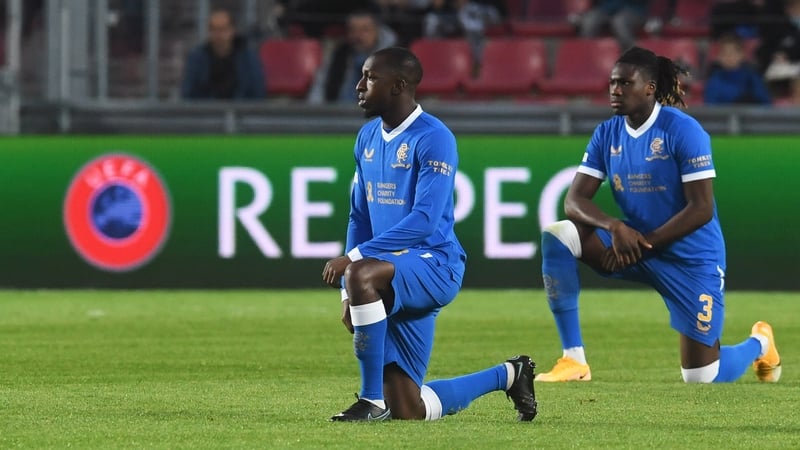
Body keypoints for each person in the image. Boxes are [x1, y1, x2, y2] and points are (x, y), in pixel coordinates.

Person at [534, 46, 781, 384]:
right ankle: (573, 360)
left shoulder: (683, 130)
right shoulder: (608, 133)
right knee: (559, 235)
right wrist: (615, 227)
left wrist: (640, 244)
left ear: (650, 88)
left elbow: (701, 209)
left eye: (625, 83)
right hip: (632, 240)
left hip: (691, 258)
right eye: (612, 83)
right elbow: (574, 200)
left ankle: (760, 343)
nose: (615, 91)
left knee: (702, 375)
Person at [321, 46, 537, 422]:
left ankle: (370, 401)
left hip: (434, 264)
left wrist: (352, 262)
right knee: (409, 410)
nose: (358, 85)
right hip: (391, 272)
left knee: (361, 273)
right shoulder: (367, 137)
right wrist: (346, 292)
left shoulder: (434, 137)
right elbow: (359, 216)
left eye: (370, 77)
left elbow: (424, 220)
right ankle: (510, 374)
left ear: (398, 86)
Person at [307, 10, 397, 104]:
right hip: (335, 112)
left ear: (377, 31)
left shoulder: (391, 58)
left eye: (364, 30)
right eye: (352, 30)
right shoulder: (339, 54)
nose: (357, 36)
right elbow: (320, 85)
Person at [180, 9, 266, 100]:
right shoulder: (197, 58)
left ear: (232, 30)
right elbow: (188, 92)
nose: (218, 34)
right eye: (213, 29)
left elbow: (257, 91)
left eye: (223, 29)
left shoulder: (248, 58)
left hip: (242, 110)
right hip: (206, 111)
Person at [704, 34, 772, 105]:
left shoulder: (752, 78)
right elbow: (711, 109)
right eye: (724, 53)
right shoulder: (714, 80)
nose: (729, 56)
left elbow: (766, 104)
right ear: (719, 57)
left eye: (733, 53)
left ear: (742, 55)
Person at [577, 0, 651, 51]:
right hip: (606, 9)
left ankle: (633, 56)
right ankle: (586, 58)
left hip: (634, 10)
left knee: (619, 23)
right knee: (589, 21)